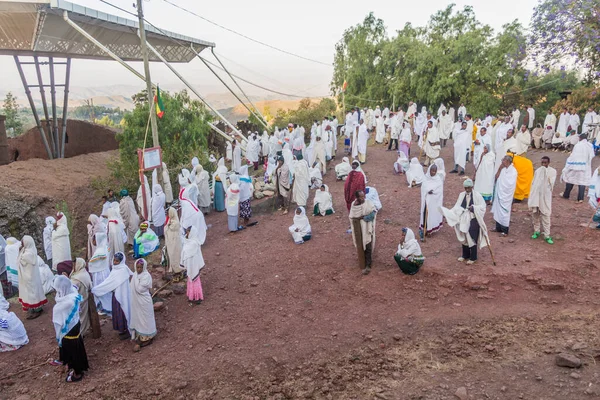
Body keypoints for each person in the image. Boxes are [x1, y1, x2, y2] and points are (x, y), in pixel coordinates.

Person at [442, 179, 489, 264]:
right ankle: (465, 255)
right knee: (464, 235)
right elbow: (457, 206)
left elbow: (482, 207)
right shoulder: (461, 195)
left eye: (468, 188)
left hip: (473, 219)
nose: (467, 190)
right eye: (465, 188)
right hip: (463, 219)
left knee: (472, 237)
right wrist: (450, 214)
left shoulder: (477, 196)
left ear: (472, 187)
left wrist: (474, 208)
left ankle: (473, 257)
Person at [51, 276, 89, 382]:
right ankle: (76, 366)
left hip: (68, 330)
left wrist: (59, 335)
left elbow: (58, 323)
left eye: (56, 289)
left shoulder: (62, 305)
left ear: (61, 289)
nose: (55, 292)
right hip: (75, 325)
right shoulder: (72, 294)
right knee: (77, 346)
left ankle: (77, 373)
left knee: (72, 349)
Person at [92, 252, 132, 340]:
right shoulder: (115, 270)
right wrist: (97, 289)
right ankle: (122, 330)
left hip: (122, 296)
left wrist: (96, 289)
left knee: (123, 312)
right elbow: (109, 282)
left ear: (121, 261)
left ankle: (126, 330)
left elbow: (109, 284)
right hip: (117, 296)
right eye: (114, 260)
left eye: (117, 261)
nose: (114, 262)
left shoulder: (122, 270)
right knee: (119, 312)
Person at [17, 236, 47, 319]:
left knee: (32, 293)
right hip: (30, 276)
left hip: (29, 276)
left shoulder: (28, 254)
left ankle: (37, 309)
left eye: (22, 242)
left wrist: (20, 252)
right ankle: (34, 308)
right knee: (32, 293)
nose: (21, 244)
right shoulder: (30, 250)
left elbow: (20, 260)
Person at [528, 156, 557, 244]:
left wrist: (545, 174)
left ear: (549, 162)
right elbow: (534, 183)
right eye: (542, 163)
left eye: (545, 163)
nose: (544, 164)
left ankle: (547, 235)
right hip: (536, 196)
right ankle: (536, 231)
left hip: (545, 197)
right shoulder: (538, 171)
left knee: (546, 215)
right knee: (535, 215)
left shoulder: (552, 171)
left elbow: (551, 184)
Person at [129, 259, 156, 351]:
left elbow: (139, 289)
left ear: (144, 267)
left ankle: (148, 337)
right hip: (137, 302)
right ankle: (141, 336)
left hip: (144, 301)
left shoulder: (146, 276)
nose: (139, 269)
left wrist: (135, 279)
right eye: (137, 267)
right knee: (139, 318)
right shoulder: (135, 275)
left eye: (140, 267)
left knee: (146, 318)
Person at [349, 190, 377, 275]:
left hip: (366, 227)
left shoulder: (368, 203)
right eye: (361, 196)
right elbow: (351, 216)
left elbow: (373, 212)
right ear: (357, 197)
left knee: (368, 244)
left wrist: (365, 217)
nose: (363, 198)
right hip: (358, 228)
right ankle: (362, 261)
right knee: (360, 245)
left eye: (363, 196)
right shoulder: (354, 206)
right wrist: (357, 219)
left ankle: (368, 265)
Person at [561, 133, 594, 202]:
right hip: (585, 167)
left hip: (575, 165)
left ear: (580, 138)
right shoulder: (590, 145)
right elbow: (592, 155)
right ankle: (580, 198)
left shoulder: (578, 145)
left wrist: (569, 163)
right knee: (582, 182)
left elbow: (573, 156)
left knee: (570, 179)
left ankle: (566, 195)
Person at [492, 156, 518, 235]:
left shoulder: (513, 171)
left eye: (503, 160)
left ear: (507, 161)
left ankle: (505, 230)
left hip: (506, 196)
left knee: (504, 212)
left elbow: (510, 184)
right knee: (498, 211)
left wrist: (502, 189)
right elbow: (496, 178)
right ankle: (498, 228)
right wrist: (499, 169)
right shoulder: (503, 170)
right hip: (499, 194)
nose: (502, 162)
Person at [67, 258, 93, 337]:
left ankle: (80, 334)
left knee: (79, 318)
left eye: (74, 265)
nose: (73, 266)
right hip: (83, 298)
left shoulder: (77, 279)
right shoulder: (83, 272)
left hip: (79, 300)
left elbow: (71, 289)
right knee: (83, 316)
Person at [88, 232, 111, 315]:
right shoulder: (105, 247)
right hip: (105, 271)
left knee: (100, 290)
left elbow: (92, 263)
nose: (93, 241)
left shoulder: (99, 251)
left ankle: (104, 307)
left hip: (99, 274)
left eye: (94, 239)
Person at [181, 226, 205, 305]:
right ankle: (191, 296)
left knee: (195, 280)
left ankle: (197, 297)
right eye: (187, 231)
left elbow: (187, 251)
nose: (187, 233)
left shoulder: (194, 243)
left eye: (188, 232)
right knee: (190, 280)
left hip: (194, 264)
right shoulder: (188, 241)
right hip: (190, 264)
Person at [419, 164, 444, 240]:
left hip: (433, 202)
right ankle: (425, 229)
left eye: (435, 171)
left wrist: (433, 192)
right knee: (425, 214)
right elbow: (423, 188)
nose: (433, 172)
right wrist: (427, 191)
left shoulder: (438, 180)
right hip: (426, 200)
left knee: (431, 215)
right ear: (429, 170)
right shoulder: (425, 178)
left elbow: (440, 191)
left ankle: (430, 230)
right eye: (432, 170)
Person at [164, 207, 184, 276]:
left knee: (175, 255)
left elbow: (170, 228)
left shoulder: (175, 223)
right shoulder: (170, 220)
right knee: (171, 254)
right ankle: (172, 268)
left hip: (175, 242)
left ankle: (178, 269)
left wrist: (167, 227)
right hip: (170, 242)